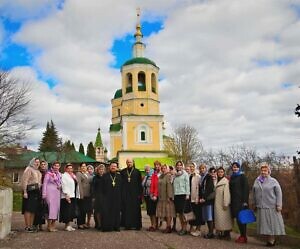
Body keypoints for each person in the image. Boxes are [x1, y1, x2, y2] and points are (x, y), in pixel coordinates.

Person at [252, 163, 285, 247]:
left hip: (271, 206)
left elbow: (279, 193)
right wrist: (254, 203)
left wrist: (279, 205)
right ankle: (269, 240)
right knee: (265, 225)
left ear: (268, 171)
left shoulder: (273, 181)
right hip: (261, 206)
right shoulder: (257, 180)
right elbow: (254, 192)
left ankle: (272, 240)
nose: (263, 172)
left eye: (265, 170)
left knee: (271, 224)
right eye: (262, 170)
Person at [229, 161, 249, 243]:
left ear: (239, 168)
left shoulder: (242, 176)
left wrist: (245, 201)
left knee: (242, 219)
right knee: (237, 219)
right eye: (233, 167)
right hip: (233, 201)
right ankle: (242, 235)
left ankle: (243, 236)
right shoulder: (232, 177)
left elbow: (246, 189)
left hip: (241, 201)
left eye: (236, 167)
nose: (235, 168)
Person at [120, 158, 142, 230]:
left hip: (135, 195)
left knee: (135, 210)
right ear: (126, 163)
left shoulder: (137, 172)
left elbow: (140, 184)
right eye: (128, 162)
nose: (129, 163)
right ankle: (127, 225)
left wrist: (140, 195)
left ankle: (136, 225)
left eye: (130, 162)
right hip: (125, 194)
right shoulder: (123, 172)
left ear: (133, 163)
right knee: (126, 210)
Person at [21, 158, 42, 232]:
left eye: (38, 162)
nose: (37, 163)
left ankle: (31, 225)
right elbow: (24, 180)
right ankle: (27, 226)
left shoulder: (38, 171)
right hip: (29, 191)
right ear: (32, 162)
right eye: (36, 162)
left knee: (33, 209)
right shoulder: (29, 169)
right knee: (28, 209)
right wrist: (25, 192)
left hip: (36, 192)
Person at [101, 161, 122, 232]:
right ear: (109, 167)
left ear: (117, 168)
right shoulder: (105, 176)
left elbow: (122, 188)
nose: (113, 167)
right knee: (107, 212)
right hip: (107, 198)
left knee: (116, 212)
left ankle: (116, 227)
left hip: (117, 197)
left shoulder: (119, 176)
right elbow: (102, 188)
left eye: (115, 166)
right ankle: (107, 227)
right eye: (112, 166)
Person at [42, 161, 62, 232]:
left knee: (56, 209)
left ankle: (53, 225)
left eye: (58, 166)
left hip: (57, 193)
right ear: (53, 166)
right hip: (49, 192)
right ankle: (49, 226)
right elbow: (45, 183)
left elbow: (60, 183)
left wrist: (60, 186)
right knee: (50, 209)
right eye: (55, 166)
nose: (56, 167)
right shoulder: (48, 174)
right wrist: (44, 193)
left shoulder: (59, 174)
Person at [156, 164, 176, 233]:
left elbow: (169, 186)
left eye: (165, 168)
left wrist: (169, 196)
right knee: (164, 212)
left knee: (168, 213)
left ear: (167, 169)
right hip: (161, 197)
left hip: (167, 197)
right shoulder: (161, 176)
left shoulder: (168, 176)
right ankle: (167, 226)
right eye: (162, 168)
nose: (163, 169)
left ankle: (169, 227)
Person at [214, 167, 232, 240]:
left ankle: (227, 234)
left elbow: (227, 193)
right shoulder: (216, 180)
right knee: (220, 219)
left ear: (223, 173)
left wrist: (226, 203)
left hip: (223, 203)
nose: (220, 173)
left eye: (221, 172)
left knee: (225, 219)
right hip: (217, 203)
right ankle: (221, 233)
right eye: (219, 172)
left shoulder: (226, 181)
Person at [173, 160, 190, 235]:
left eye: (180, 165)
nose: (179, 166)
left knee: (183, 213)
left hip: (183, 195)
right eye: (177, 165)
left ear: (182, 166)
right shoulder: (175, 175)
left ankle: (185, 229)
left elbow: (187, 184)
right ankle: (182, 227)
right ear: (176, 166)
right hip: (176, 195)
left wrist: (187, 194)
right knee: (179, 213)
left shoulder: (185, 174)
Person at [60, 163, 79, 231]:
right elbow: (63, 185)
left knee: (71, 211)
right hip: (66, 196)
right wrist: (66, 194)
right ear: (65, 169)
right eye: (68, 168)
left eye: (71, 168)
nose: (70, 169)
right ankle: (66, 225)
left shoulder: (73, 176)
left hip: (72, 195)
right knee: (67, 211)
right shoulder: (64, 176)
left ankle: (69, 225)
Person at [199, 166, 216, 239]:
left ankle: (211, 233)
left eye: (203, 168)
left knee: (209, 217)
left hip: (208, 199)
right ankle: (209, 231)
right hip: (204, 199)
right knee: (207, 216)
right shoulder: (202, 177)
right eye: (201, 169)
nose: (202, 170)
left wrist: (204, 198)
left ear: (205, 169)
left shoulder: (208, 177)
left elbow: (209, 188)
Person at [76, 162, 93, 229]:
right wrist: (81, 194)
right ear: (80, 167)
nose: (84, 167)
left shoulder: (88, 174)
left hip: (88, 195)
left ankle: (84, 223)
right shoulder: (79, 174)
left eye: (85, 166)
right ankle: (80, 223)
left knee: (85, 210)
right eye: (82, 166)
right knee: (81, 210)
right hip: (82, 195)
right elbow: (79, 184)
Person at [33, 160, 48, 231]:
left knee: (43, 209)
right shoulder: (37, 172)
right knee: (37, 209)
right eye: (42, 164)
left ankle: (41, 225)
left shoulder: (47, 173)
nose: (43, 165)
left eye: (44, 164)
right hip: (38, 192)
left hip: (45, 192)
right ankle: (35, 224)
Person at [189, 162, 202, 237]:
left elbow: (198, 188)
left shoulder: (198, 176)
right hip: (190, 198)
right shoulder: (189, 176)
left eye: (192, 167)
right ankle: (192, 228)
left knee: (197, 214)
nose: (191, 168)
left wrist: (197, 198)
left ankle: (198, 229)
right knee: (192, 214)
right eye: (190, 167)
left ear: (195, 167)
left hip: (196, 198)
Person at [92, 164, 105, 230]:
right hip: (97, 196)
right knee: (97, 211)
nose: (101, 170)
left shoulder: (106, 177)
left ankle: (103, 224)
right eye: (100, 169)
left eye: (102, 169)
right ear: (98, 170)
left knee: (103, 211)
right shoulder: (95, 177)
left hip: (105, 197)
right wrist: (93, 197)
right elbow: (93, 187)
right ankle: (98, 224)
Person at [142, 165, 155, 231]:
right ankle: (152, 224)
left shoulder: (154, 176)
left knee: (152, 211)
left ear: (151, 170)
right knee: (149, 212)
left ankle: (154, 225)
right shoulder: (145, 177)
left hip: (151, 196)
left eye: (148, 170)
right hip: (146, 196)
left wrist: (154, 195)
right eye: (146, 170)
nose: (147, 171)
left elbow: (155, 186)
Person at [149, 160, 161, 230]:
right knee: (152, 211)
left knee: (157, 211)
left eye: (158, 165)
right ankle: (154, 225)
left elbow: (158, 186)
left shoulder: (161, 174)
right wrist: (151, 193)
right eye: (155, 165)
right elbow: (152, 185)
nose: (156, 166)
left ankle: (156, 225)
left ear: (160, 165)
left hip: (158, 195)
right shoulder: (154, 174)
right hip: (153, 195)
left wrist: (155, 195)